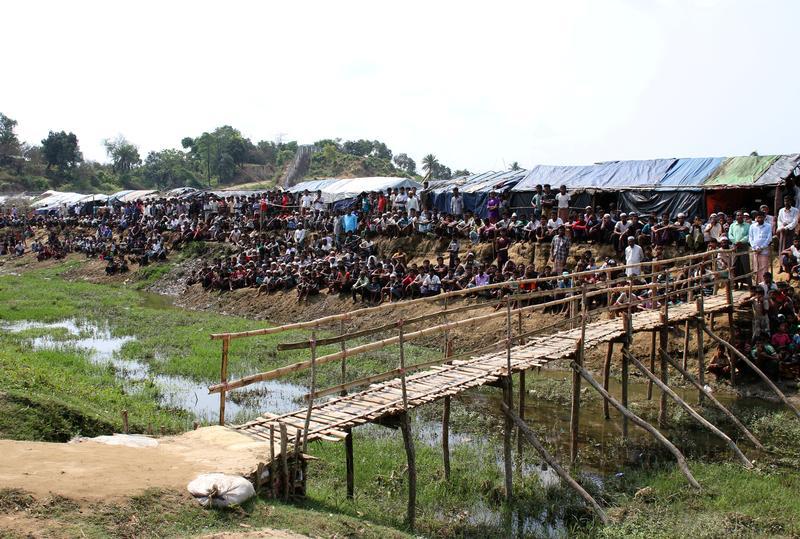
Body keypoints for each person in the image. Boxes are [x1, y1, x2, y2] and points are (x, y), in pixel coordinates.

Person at [727, 210, 751, 288]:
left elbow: (748, 235)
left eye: (741, 215)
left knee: (745, 265)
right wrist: (735, 242)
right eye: (738, 215)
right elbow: (730, 235)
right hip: (735, 247)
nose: (739, 216)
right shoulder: (732, 225)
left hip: (744, 246)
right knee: (734, 265)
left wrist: (741, 241)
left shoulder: (747, 225)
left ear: (743, 217)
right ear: (736, 217)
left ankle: (749, 284)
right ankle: (735, 283)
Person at [748, 211, 773, 285]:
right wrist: (755, 247)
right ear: (756, 218)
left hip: (764, 251)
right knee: (756, 268)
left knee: (764, 268)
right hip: (755, 251)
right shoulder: (752, 226)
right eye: (758, 217)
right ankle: (757, 284)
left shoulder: (768, 226)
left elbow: (769, 238)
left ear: (764, 218)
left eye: (761, 217)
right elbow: (750, 238)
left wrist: (761, 248)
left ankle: (764, 284)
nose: (759, 219)